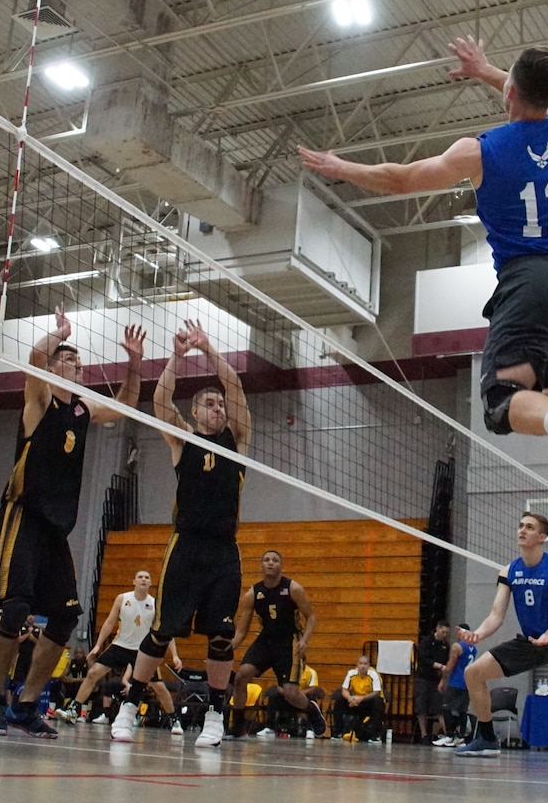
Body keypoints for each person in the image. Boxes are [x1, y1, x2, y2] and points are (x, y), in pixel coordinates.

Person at [298, 38, 548, 498]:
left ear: (510, 90)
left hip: (529, 283)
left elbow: (402, 178)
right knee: (537, 402)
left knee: (499, 402)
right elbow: (540, 96)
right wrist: (489, 70)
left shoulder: (480, 151)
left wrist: (340, 166)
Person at [0, 309, 144, 739]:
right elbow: (34, 359)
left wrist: (133, 363)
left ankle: (27, 703)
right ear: (54, 368)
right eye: (69, 361)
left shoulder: (82, 411)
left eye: (79, 363)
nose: (78, 367)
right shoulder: (38, 402)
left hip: (56, 527)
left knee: (67, 616)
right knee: (14, 608)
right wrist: (60, 334)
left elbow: (127, 404)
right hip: (23, 513)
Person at [112, 320, 251, 750]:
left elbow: (237, 390)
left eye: (219, 404)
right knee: (162, 631)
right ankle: (129, 707)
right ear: (194, 412)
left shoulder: (238, 439)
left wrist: (208, 349)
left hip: (224, 552)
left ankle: (215, 716)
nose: (218, 408)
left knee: (222, 636)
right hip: (185, 549)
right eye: (209, 403)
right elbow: (159, 399)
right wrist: (177, 355)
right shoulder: (182, 440)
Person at [455, 512, 548, 763]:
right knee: (472, 673)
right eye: (520, 526)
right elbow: (496, 615)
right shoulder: (509, 570)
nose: (522, 530)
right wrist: (478, 633)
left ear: (541, 537)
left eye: (530, 527)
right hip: (531, 640)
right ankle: (486, 738)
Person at [58, 570, 182, 733]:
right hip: (120, 645)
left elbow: (166, 633)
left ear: (151, 583)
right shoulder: (122, 599)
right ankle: (74, 710)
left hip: (142, 651)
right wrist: (98, 645)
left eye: (147, 578)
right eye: (140, 577)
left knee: (158, 686)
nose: (143, 580)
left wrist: (175, 655)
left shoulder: (155, 604)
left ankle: (174, 720)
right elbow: (109, 622)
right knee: (93, 673)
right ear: (134, 581)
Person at [229, 550, 328, 740]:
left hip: (289, 641)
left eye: (275, 560)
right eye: (266, 560)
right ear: (261, 565)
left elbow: (311, 617)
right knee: (241, 676)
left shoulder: (293, 588)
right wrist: (229, 648)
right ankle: (238, 727)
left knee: (290, 693)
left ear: (281, 566)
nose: (270, 563)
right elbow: (241, 631)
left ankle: (311, 709)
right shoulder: (253, 593)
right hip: (266, 640)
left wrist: (304, 640)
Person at [435, 624, 477, 746]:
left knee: (446, 707)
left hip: (456, 682)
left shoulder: (457, 646)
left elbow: (451, 665)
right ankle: (461, 736)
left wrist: (443, 680)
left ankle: (449, 735)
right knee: (462, 710)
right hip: (467, 682)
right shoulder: (473, 647)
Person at [413, 620, 451, 743]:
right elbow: (423, 659)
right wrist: (439, 666)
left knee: (439, 708)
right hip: (423, 678)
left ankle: (447, 735)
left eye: (447, 633)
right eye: (443, 631)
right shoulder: (426, 642)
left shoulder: (445, 646)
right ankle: (424, 735)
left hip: (436, 680)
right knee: (421, 707)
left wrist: (443, 678)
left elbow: (446, 663)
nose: (444, 635)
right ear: (437, 629)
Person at [333, 656, 386, 741]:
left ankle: (375, 734)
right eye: (361, 663)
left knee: (378, 702)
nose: (363, 666)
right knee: (340, 700)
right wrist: (349, 698)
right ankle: (337, 732)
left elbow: (376, 692)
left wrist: (362, 698)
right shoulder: (351, 674)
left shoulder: (374, 675)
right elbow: (344, 689)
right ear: (357, 665)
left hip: (367, 701)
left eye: (365, 664)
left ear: (369, 665)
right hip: (354, 701)